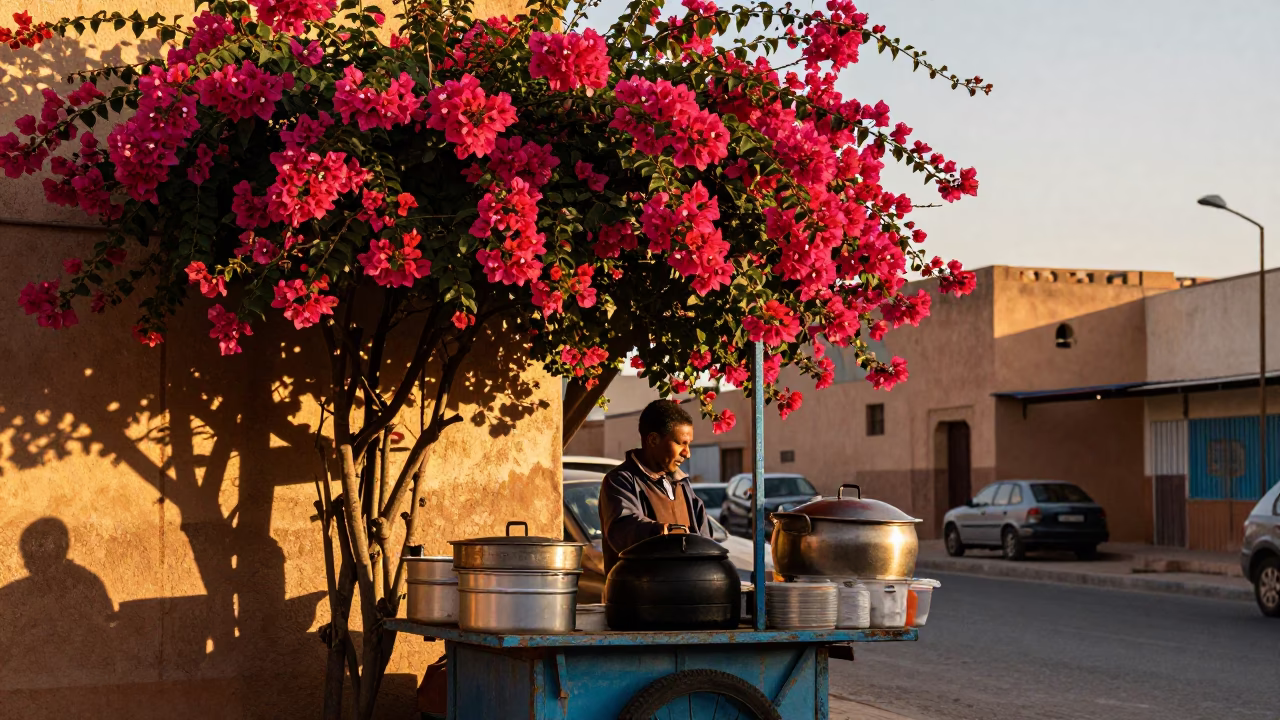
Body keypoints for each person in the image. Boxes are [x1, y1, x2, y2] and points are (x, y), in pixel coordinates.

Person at [598, 399, 712, 578]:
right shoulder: (620, 481)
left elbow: (705, 539)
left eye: (689, 444)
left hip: (686, 595)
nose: (687, 453)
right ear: (653, 439)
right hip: (640, 598)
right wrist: (663, 532)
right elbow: (623, 530)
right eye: (681, 443)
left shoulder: (682, 484)